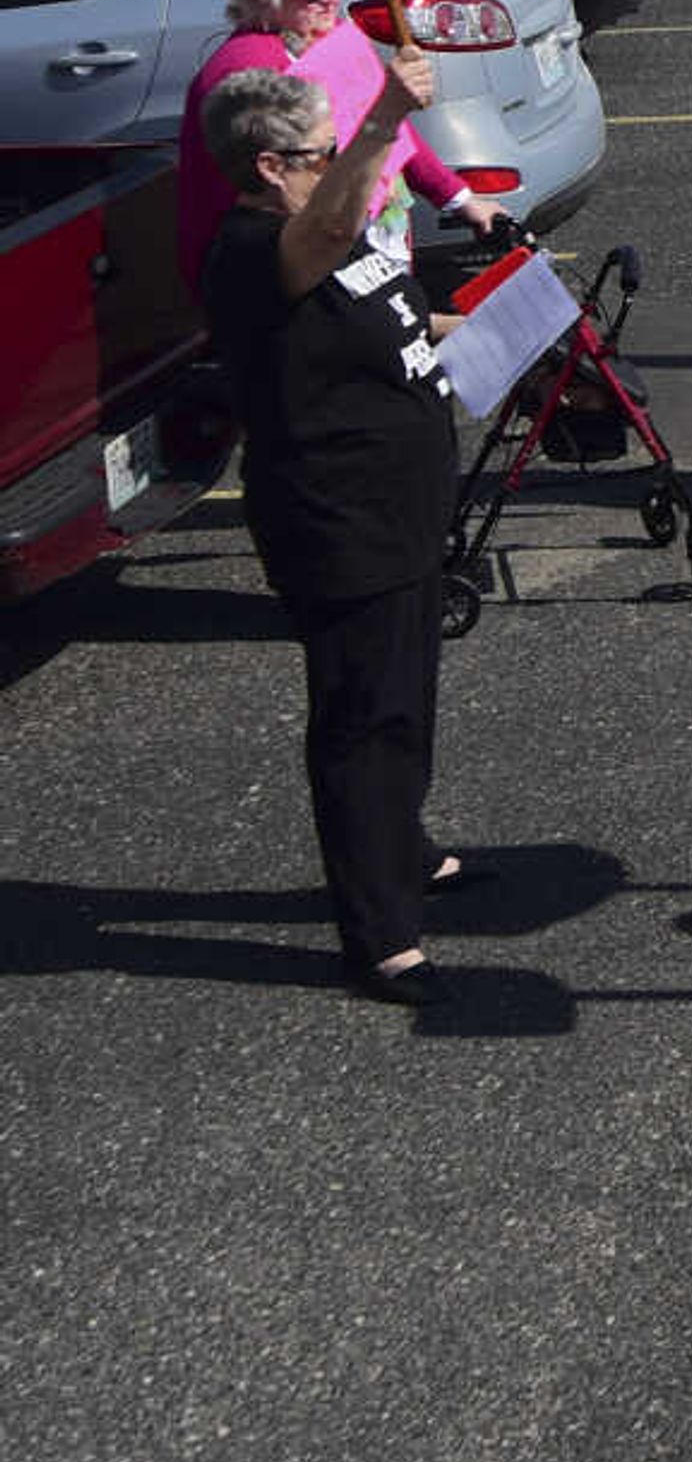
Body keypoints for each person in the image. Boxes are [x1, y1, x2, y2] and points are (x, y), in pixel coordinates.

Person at [195, 55, 471, 1007]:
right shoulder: (253, 249)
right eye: (316, 154)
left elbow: (381, 310)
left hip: (405, 507)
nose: (333, 166)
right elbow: (329, 234)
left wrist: (476, 318)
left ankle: (404, 843)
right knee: (364, 718)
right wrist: (387, 118)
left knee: (409, 696)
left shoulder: (322, 231)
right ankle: (378, 929)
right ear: (270, 166)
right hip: (340, 520)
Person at [176, 0, 509, 290]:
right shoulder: (247, 70)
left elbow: (387, 124)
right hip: (294, 263)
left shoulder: (327, 35)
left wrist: (459, 198)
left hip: (365, 234)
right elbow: (279, 194)